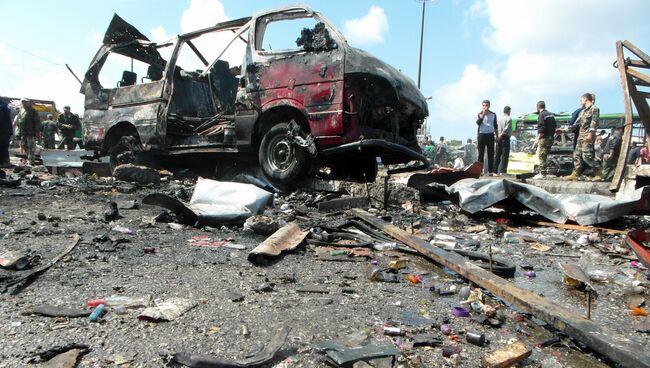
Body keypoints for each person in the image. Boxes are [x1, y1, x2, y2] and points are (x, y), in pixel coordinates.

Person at [566, 93, 600, 180]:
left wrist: (590, 134)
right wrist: (564, 130)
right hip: (580, 136)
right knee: (576, 155)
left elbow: (594, 122)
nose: (580, 102)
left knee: (587, 156)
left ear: (585, 99)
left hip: (587, 136)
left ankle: (599, 172)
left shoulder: (594, 109)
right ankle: (575, 174)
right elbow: (576, 124)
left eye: (581, 100)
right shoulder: (582, 111)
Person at [533, 101, 556, 179]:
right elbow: (553, 126)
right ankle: (544, 172)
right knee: (545, 155)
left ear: (538, 107)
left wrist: (537, 140)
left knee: (541, 155)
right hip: (551, 137)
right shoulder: (551, 114)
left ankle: (542, 173)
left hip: (544, 138)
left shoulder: (541, 115)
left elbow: (542, 130)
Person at [475, 99, 498, 175]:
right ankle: (480, 171)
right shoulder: (479, 114)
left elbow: (495, 125)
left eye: (486, 105)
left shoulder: (493, 114)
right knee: (481, 153)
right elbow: (478, 123)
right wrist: (483, 115)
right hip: (482, 134)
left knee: (491, 153)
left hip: (490, 135)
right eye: (484, 105)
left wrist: (497, 135)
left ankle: (491, 171)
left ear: (489, 106)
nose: (485, 107)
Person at [16, 98, 40, 165]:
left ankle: (31, 161)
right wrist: (19, 131)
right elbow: (18, 120)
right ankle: (24, 160)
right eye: (23, 102)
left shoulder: (33, 111)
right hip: (23, 133)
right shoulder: (21, 110)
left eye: (25, 102)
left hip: (30, 132)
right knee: (23, 146)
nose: (24, 103)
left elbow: (37, 122)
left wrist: (36, 131)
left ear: (29, 102)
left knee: (31, 147)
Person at [495, 106, 512, 174]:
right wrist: (501, 135)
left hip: (498, 137)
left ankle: (495, 170)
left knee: (497, 155)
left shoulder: (499, 119)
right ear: (509, 111)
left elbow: (496, 128)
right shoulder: (509, 119)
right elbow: (506, 129)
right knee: (505, 155)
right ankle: (503, 171)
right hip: (505, 137)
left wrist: (497, 136)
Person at [0, 98, 12, 166]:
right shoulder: (4, 105)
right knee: (4, 146)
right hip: (5, 130)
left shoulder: (1, 106)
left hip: (3, 131)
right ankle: (6, 161)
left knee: (2, 146)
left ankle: (4, 162)